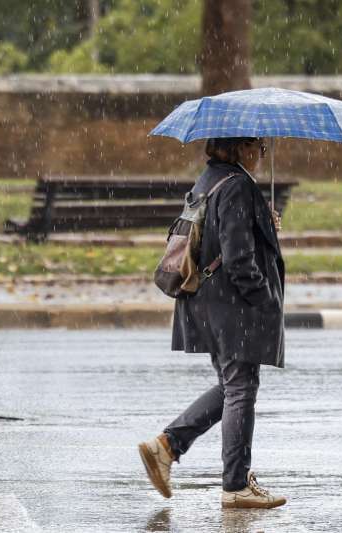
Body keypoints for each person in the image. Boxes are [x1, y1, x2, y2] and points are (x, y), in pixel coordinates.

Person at [138, 137, 287, 509]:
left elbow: (220, 239)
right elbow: (238, 259)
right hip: (232, 306)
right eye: (259, 146)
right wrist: (265, 300)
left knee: (231, 386)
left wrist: (263, 223)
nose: (262, 154)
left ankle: (168, 446)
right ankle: (235, 485)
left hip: (208, 302)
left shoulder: (210, 179)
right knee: (241, 389)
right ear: (240, 147)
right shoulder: (236, 185)